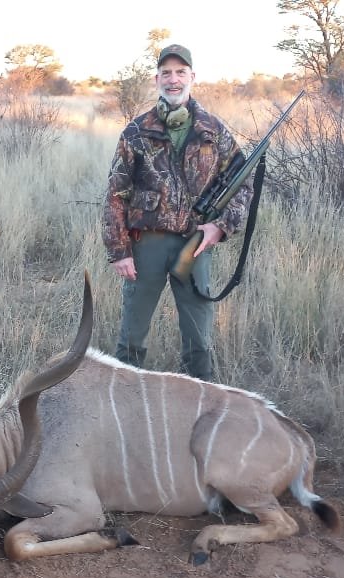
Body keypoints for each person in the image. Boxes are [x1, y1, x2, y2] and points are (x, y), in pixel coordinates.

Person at [101, 44, 253, 381]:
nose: (173, 79)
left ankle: (201, 411)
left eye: (180, 72)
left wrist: (221, 227)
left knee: (199, 341)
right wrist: (119, 252)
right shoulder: (136, 131)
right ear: (157, 79)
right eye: (166, 73)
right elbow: (115, 193)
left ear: (192, 77)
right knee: (131, 339)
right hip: (146, 246)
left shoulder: (214, 130)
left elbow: (243, 184)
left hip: (195, 244)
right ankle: (124, 407)